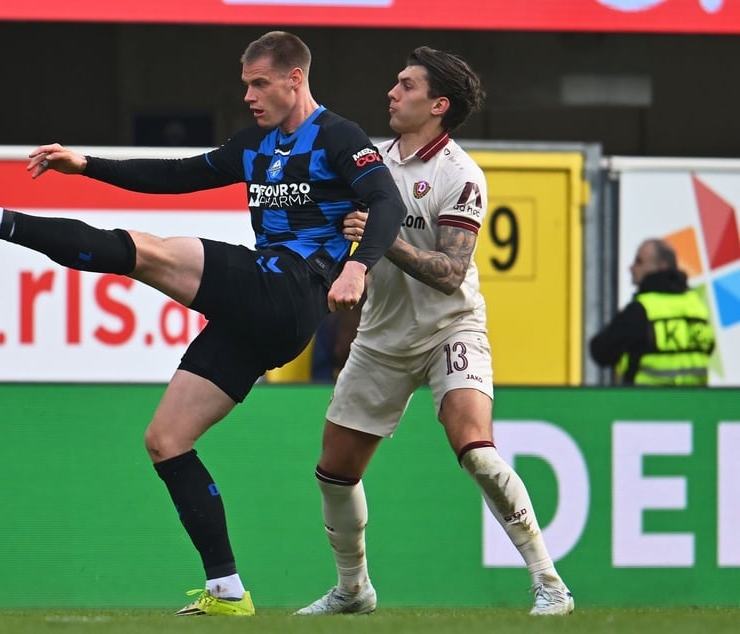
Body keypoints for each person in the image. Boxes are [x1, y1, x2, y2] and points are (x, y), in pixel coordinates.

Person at [0, 31, 405, 617]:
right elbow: (173, 176)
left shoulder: (337, 137)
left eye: (259, 83)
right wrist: (86, 164)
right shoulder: (253, 144)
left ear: (295, 78)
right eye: (245, 84)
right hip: (265, 315)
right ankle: (227, 591)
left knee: (146, 252)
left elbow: (388, 203)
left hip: (292, 287)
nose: (248, 95)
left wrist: (356, 270)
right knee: (167, 440)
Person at [294, 46, 574, 617]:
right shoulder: (369, 160)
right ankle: (353, 590)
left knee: (475, 448)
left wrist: (385, 236)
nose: (391, 93)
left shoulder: (460, 176)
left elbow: (450, 274)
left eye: (405, 85)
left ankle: (550, 583)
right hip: (381, 336)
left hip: (451, 328)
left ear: (437, 105)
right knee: (334, 471)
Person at [590, 238, 715, 385]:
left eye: (639, 261)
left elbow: (601, 350)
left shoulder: (641, 311)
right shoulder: (696, 305)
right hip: (694, 404)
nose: (631, 267)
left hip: (647, 404)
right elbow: (709, 348)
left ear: (662, 267)